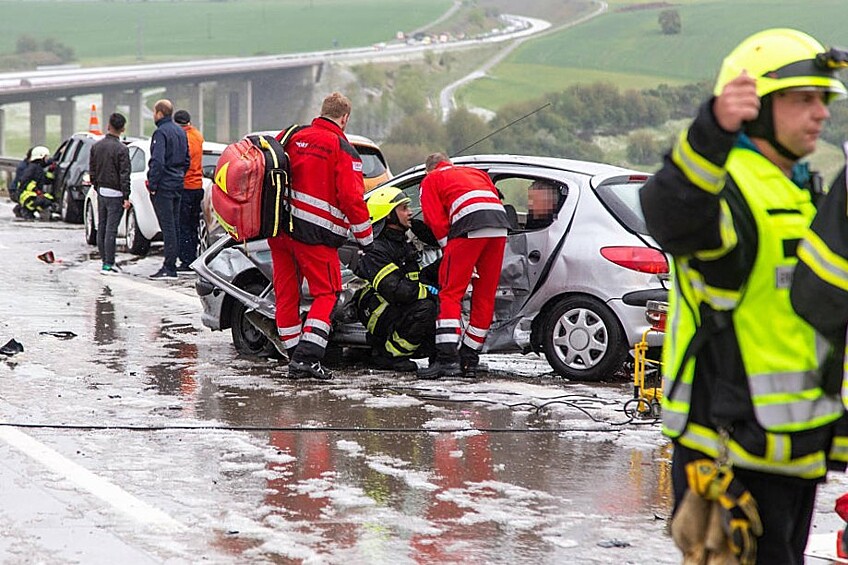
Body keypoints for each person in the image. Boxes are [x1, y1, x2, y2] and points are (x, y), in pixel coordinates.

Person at [638, 28, 848, 564]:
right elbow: (674, 214)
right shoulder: (730, 187)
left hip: (795, 451)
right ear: (754, 110)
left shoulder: (800, 192)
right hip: (731, 451)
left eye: (823, 100)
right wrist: (711, 131)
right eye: (803, 99)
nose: (820, 113)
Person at [269, 92, 373, 380]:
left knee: (286, 297)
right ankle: (307, 358)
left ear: (322, 111)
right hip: (315, 237)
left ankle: (293, 356)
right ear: (345, 118)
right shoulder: (342, 148)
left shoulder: (292, 135)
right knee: (327, 293)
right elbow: (353, 200)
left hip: (280, 232)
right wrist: (367, 240)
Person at [418, 152, 510, 379]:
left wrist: (447, 249)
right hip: (498, 226)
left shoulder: (430, 180)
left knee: (450, 293)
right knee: (485, 294)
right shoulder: (475, 172)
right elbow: (494, 195)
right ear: (449, 163)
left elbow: (435, 219)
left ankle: (447, 360)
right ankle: (469, 357)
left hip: (468, 226)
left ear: (429, 169)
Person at [354, 186, 439, 372]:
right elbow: (397, 290)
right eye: (403, 208)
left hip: (396, 308)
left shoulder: (402, 241)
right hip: (379, 313)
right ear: (389, 215)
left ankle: (438, 355)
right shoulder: (376, 249)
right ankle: (389, 355)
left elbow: (416, 276)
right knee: (427, 307)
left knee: (438, 299)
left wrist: (446, 264)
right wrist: (430, 292)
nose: (410, 212)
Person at [147, 99, 189, 280]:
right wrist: (179, 175)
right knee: (175, 225)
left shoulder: (161, 133)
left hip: (164, 185)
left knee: (168, 227)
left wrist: (153, 184)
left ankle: (169, 267)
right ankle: (173, 262)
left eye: (154, 112)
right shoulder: (180, 131)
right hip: (178, 183)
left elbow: (158, 161)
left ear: (159, 113)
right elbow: (187, 159)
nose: (153, 115)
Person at [90, 112, 131, 275]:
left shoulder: (96, 146)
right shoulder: (122, 149)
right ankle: (109, 263)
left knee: (102, 226)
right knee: (111, 230)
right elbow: (124, 174)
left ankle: (104, 261)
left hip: (101, 191)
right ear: (123, 129)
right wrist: (126, 196)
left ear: (108, 126)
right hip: (116, 193)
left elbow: (92, 169)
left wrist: (96, 185)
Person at [173, 109, 205, 272]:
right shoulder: (198, 135)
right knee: (193, 226)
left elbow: (182, 162)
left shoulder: (182, 138)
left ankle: (187, 260)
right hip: (198, 186)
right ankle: (195, 257)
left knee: (183, 225)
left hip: (185, 186)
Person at [16, 145, 55, 221]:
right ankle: (25, 210)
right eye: (46, 157)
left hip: (31, 193)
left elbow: (47, 180)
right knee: (43, 201)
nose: (47, 159)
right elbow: (24, 182)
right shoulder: (33, 168)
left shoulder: (38, 168)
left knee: (49, 199)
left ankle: (27, 210)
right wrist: (36, 190)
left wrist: (50, 171)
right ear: (41, 156)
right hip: (26, 194)